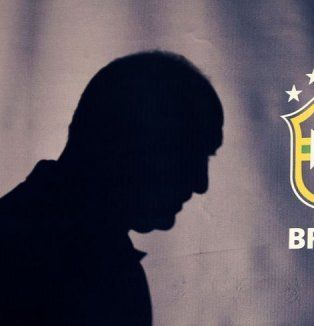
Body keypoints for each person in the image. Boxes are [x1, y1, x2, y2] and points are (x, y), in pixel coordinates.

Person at [0, 51, 223, 325]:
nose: (201, 183)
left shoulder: (104, 260)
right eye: (188, 154)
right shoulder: (26, 263)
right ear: (121, 141)